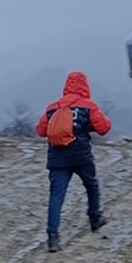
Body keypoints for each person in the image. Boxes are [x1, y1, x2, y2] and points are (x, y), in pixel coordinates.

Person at [34, 71, 114, 253]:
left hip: (57, 159)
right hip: (81, 157)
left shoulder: (52, 107)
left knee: (56, 196)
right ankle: (95, 218)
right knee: (91, 185)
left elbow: (40, 131)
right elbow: (104, 128)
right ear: (85, 86)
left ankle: (52, 237)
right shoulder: (87, 105)